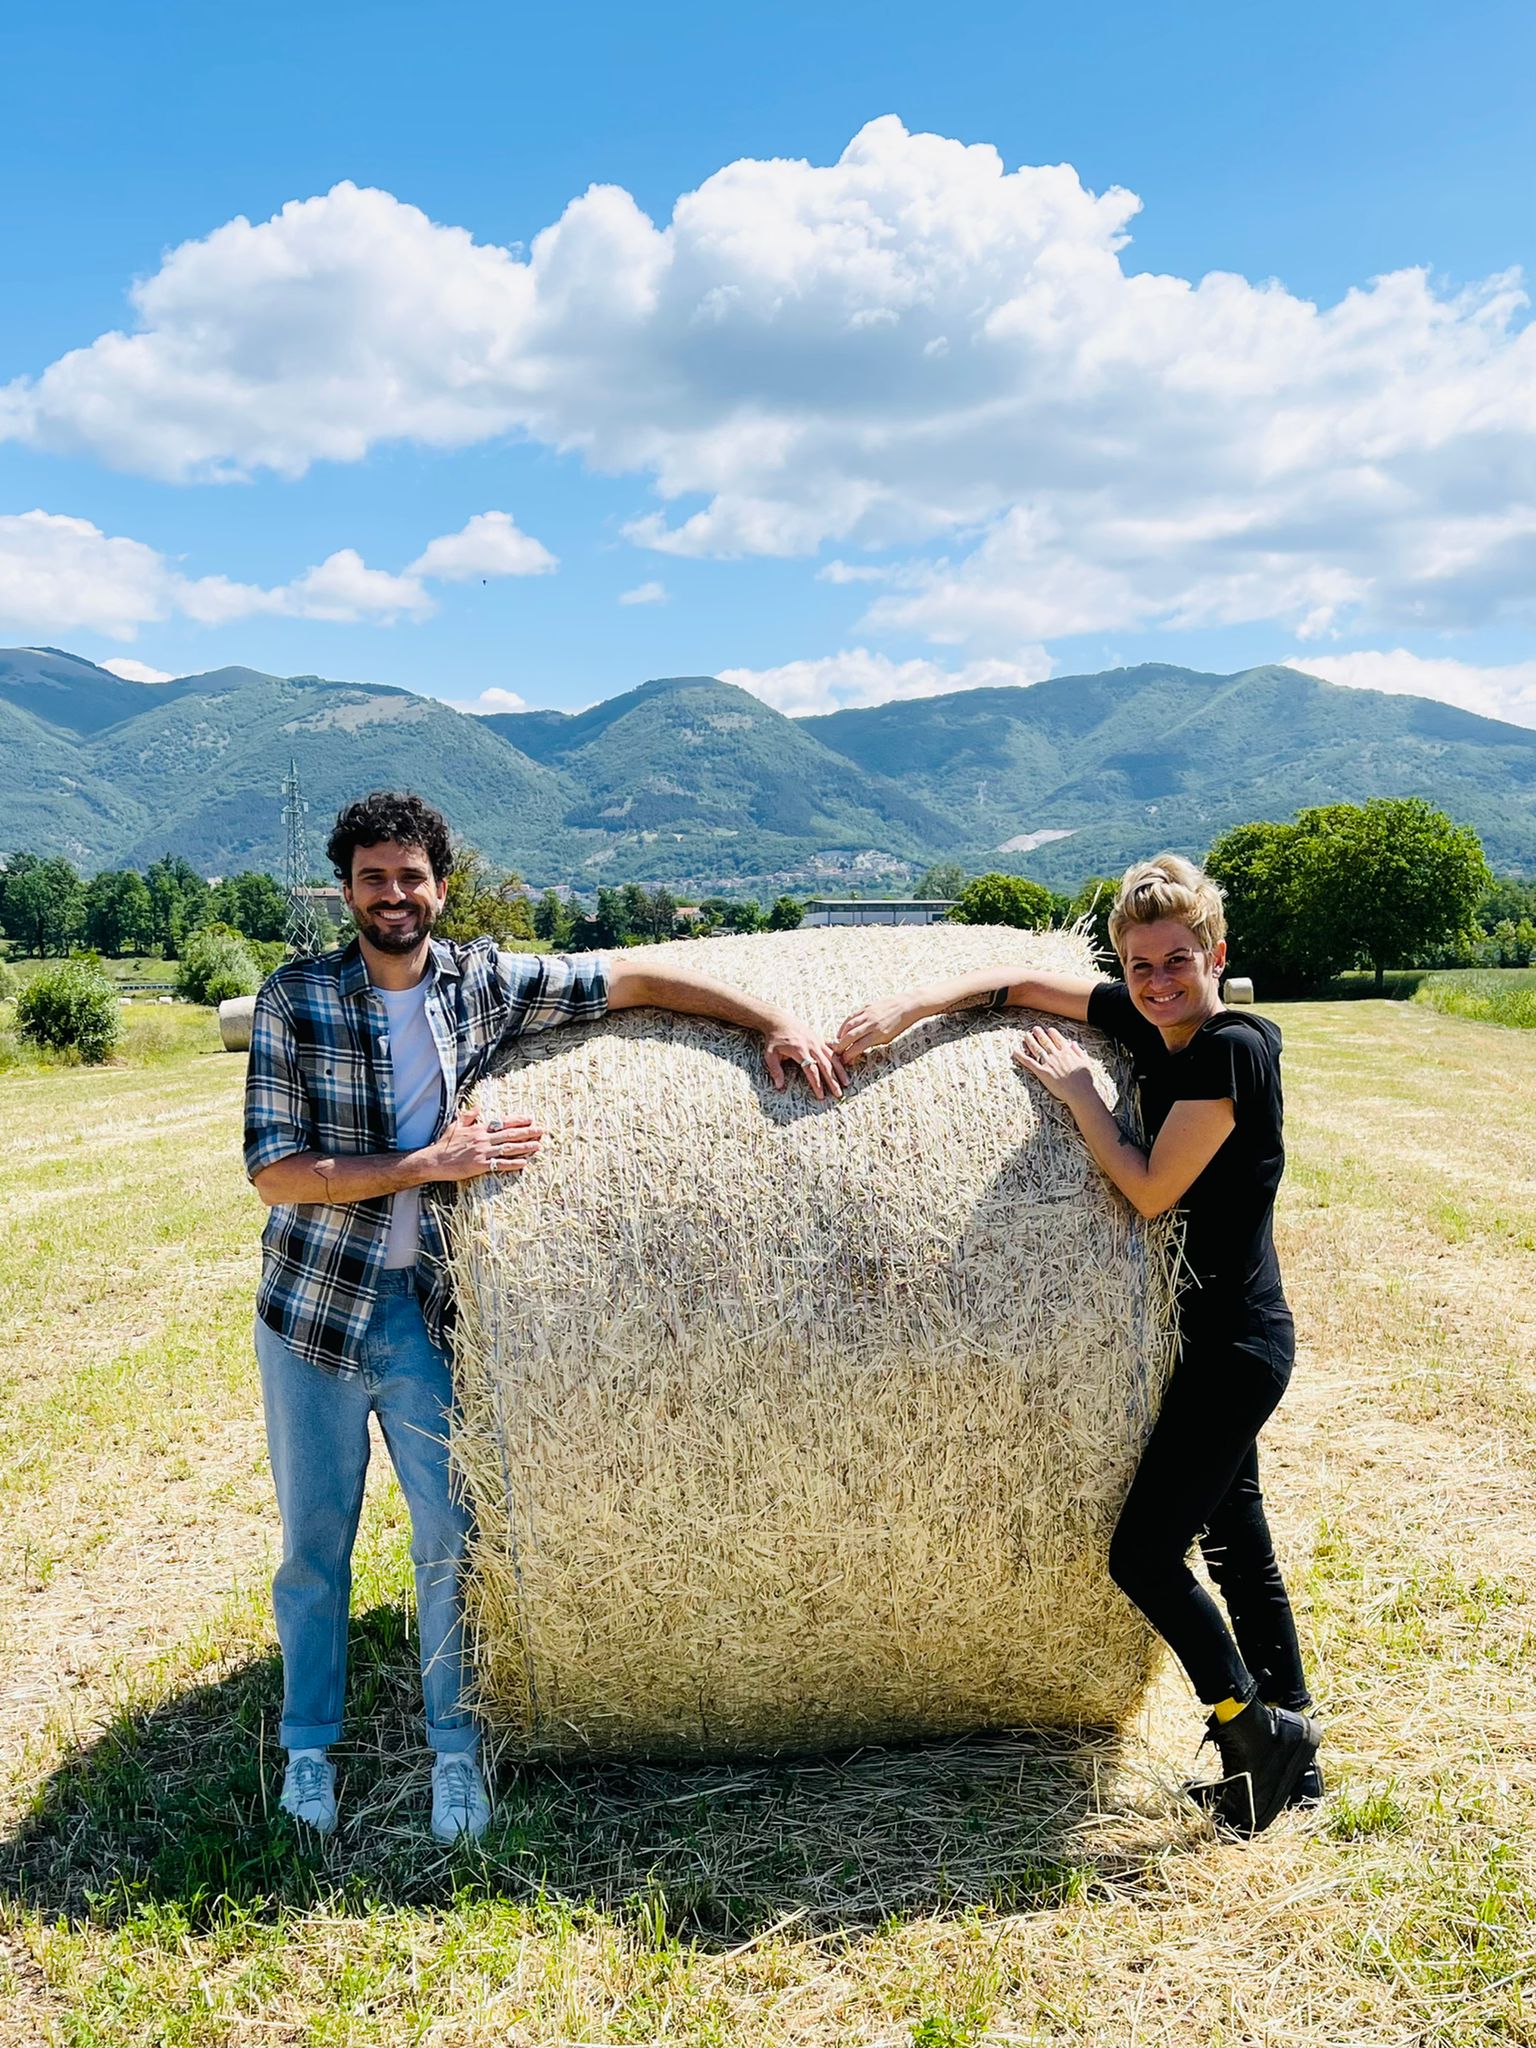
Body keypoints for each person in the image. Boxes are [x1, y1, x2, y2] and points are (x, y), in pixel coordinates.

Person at [244, 790, 847, 1842]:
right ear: (346, 889)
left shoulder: (482, 981)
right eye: (373, 877)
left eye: (412, 876)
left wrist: (773, 1021)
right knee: (314, 1546)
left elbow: (636, 975)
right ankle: (308, 1748)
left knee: (452, 1540)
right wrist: (427, 1165)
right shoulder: (293, 999)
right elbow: (276, 1174)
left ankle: (457, 1752)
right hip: (312, 1316)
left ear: (440, 883)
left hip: (429, 1313)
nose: (395, 895)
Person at [834, 853, 1320, 1834]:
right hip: (1203, 1340)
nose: (1156, 982)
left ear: (1215, 953)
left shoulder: (1234, 1046)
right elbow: (1015, 984)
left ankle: (1248, 1732)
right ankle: (1295, 1754)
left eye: (1177, 961)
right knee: (1237, 1541)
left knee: (1144, 1552)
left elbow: (1147, 1188)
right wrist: (909, 1008)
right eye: (1139, 966)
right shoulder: (1153, 1021)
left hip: (1238, 1345)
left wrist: (1082, 1098)